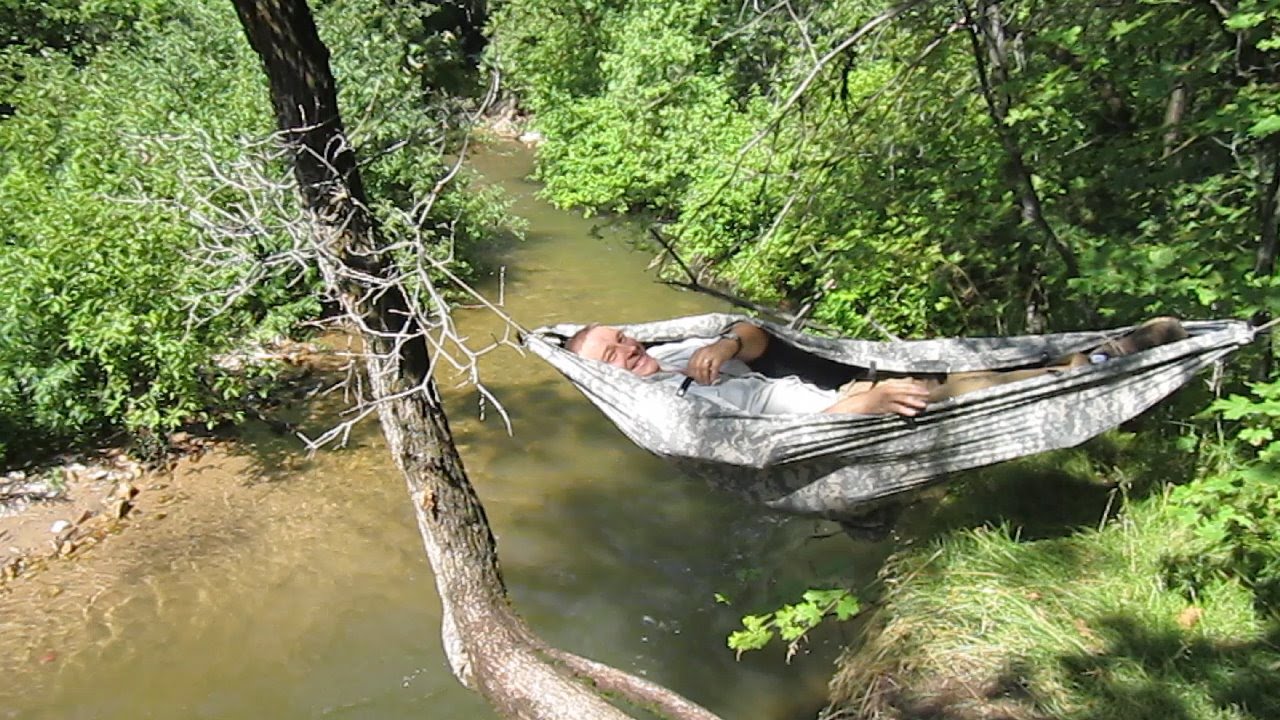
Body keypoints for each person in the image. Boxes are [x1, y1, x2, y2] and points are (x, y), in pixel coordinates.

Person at [565, 318, 1188, 417]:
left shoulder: (670, 352)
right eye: (613, 353)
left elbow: (753, 331)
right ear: (604, 376)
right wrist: (857, 408)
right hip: (841, 420)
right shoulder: (665, 408)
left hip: (845, 391)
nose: (629, 348)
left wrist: (726, 345)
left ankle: (1085, 357)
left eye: (624, 336)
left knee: (966, 370)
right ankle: (1101, 363)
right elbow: (758, 445)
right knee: (965, 394)